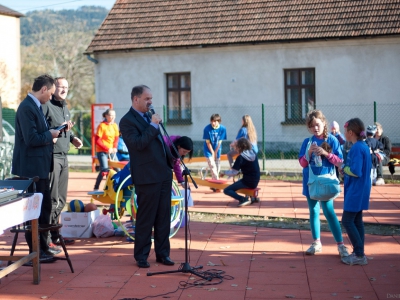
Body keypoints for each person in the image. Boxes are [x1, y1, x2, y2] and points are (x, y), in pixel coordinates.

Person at [120, 85, 174, 268]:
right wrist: (152, 125)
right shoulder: (127, 121)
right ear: (136, 99)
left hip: (163, 174)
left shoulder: (151, 118)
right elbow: (137, 144)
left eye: (151, 98)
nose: (150, 102)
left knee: (163, 216)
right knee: (146, 218)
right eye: (146, 98)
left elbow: (159, 143)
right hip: (147, 176)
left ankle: (163, 254)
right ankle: (141, 256)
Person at [12, 74, 61, 262]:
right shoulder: (26, 108)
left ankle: (43, 246)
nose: (51, 97)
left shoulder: (36, 106)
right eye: (50, 93)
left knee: (45, 208)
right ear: (43, 90)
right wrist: (50, 135)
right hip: (31, 169)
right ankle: (35, 252)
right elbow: (31, 139)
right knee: (33, 211)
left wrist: (51, 133)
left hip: (40, 168)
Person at [298, 110, 349, 258]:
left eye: (318, 125)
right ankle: (316, 243)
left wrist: (326, 154)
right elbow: (302, 163)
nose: (315, 128)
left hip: (326, 181)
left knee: (328, 211)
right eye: (312, 126)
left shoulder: (332, 140)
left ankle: (340, 245)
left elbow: (340, 162)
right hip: (311, 181)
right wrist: (309, 153)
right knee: (313, 211)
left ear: (324, 124)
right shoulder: (307, 142)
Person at [42, 77, 83, 247]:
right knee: (52, 199)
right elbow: (45, 129)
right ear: (54, 88)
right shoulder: (46, 106)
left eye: (66, 87)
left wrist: (73, 138)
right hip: (52, 156)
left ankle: (56, 233)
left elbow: (64, 127)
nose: (64, 90)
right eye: (61, 87)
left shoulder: (65, 106)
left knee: (62, 199)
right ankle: (49, 239)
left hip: (64, 156)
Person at [340, 118, 372, 265]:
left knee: (347, 220)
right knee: (357, 221)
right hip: (361, 189)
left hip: (355, 190)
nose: (344, 133)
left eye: (345, 131)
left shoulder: (357, 148)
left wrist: (344, 169)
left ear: (351, 132)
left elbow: (356, 171)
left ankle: (359, 254)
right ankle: (360, 253)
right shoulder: (363, 146)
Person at [223, 138, 260, 207]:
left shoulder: (241, 158)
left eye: (236, 147)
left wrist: (224, 173)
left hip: (247, 182)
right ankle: (252, 197)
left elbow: (233, 172)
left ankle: (242, 199)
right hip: (256, 180)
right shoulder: (253, 153)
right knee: (240, 180)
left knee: (227, 190)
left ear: (239, 147)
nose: (235, 149)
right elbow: (249, 167)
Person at [94, 109, 119, 190]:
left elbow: (116, 138)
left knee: (118, 168)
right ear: (106, 116)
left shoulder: (115, 125)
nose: (113, 117)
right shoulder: (102, 126)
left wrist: (114, 147)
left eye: (114, 115)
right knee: (104, 169)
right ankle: (96, 187)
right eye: (111, 115)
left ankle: (117, 187)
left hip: (111, 151)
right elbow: (97, 140)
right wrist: (106, 148)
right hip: (102, 151)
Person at [203, 113, 227, 180]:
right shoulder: (207, 129)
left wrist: (216, 152)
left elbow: (219, 142)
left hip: (217, 148)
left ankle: (214, 183)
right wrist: (213, 153)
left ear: (218, 121)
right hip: (208, 149)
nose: (213, 123)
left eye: (215, 121)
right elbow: (208, 143)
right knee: (212, 166)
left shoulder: (222, 129)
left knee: (217, 167)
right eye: (212, 121)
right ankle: (217, 183)